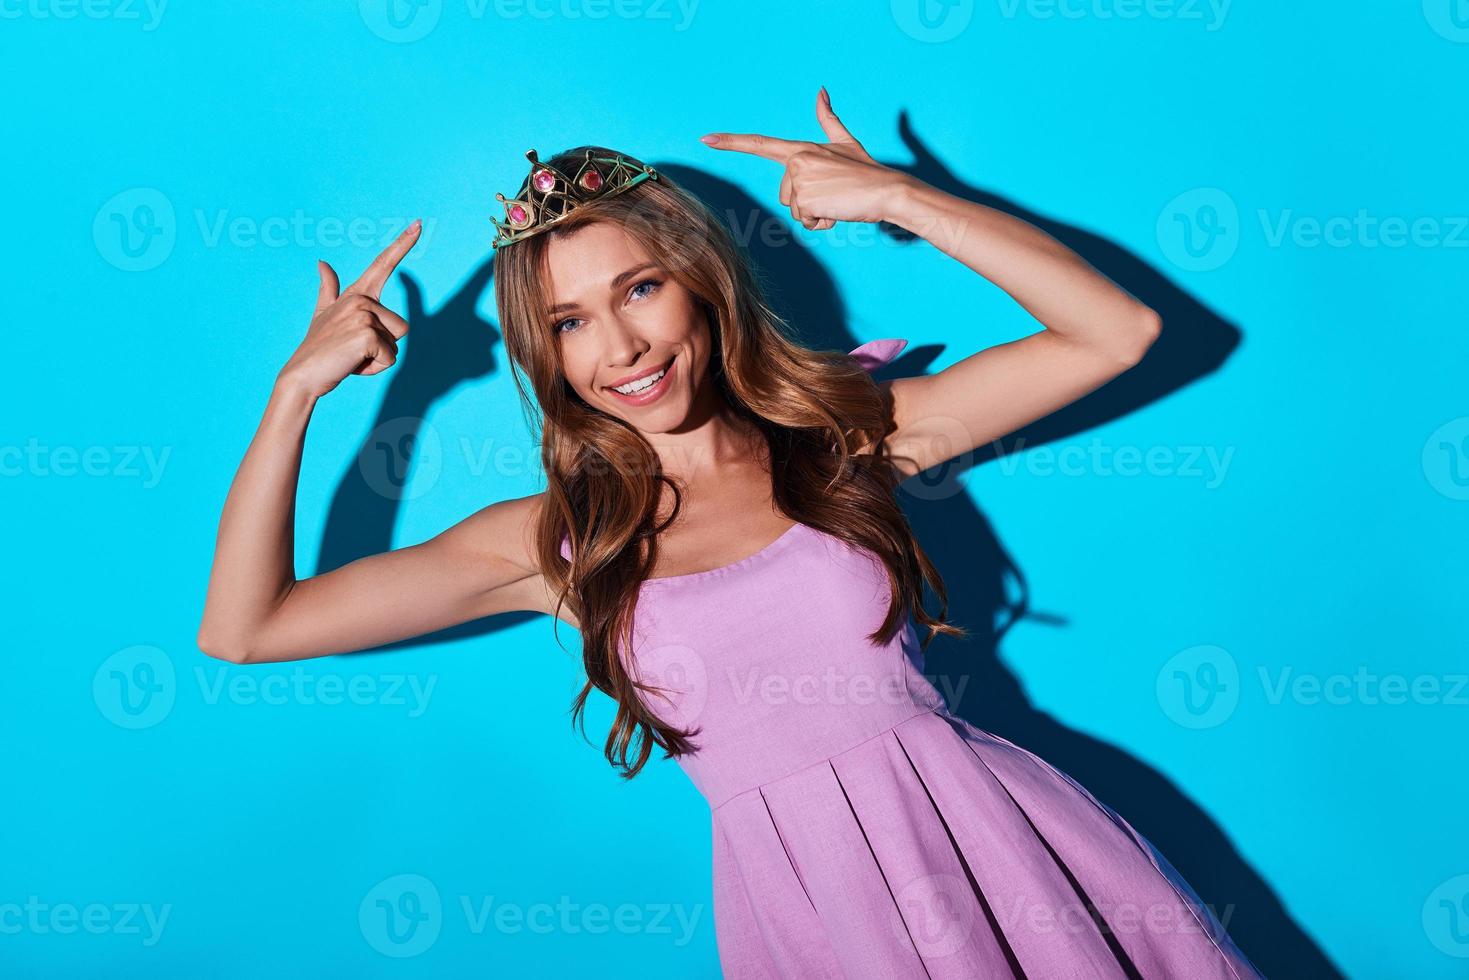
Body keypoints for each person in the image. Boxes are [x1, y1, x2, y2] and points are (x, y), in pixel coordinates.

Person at [198, 91, 1264, 978]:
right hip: (815, 927)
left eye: (639, 288)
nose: (619, 345)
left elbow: (1116, 333)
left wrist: (900, 196)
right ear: (546, 351)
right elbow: (245, 627)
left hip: (1010, 867)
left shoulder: (843, 438)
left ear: (699, 283)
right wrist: (297, 392)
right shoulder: (555, 543)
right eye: (570, 321)